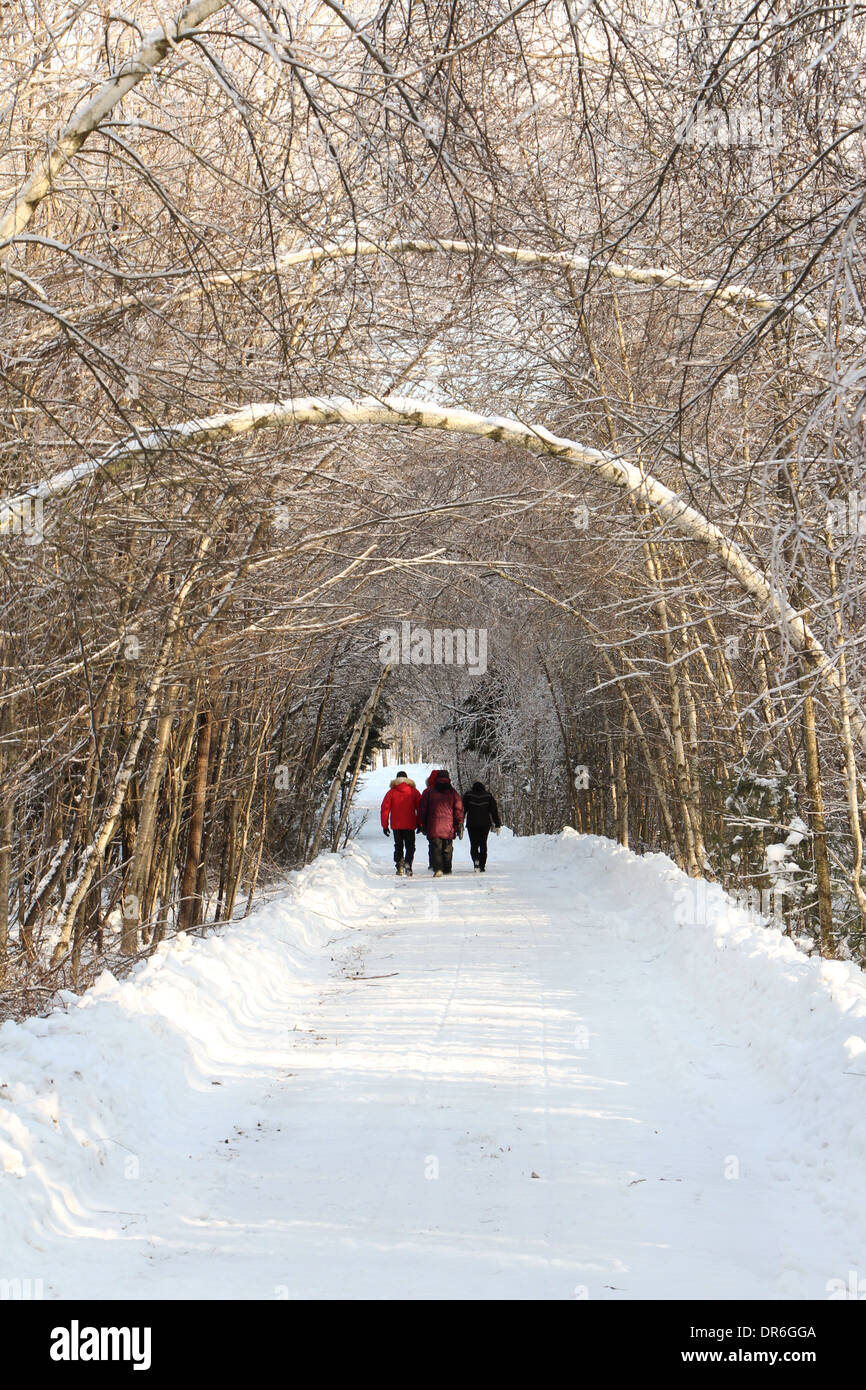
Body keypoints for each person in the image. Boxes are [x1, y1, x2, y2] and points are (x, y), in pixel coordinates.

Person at [418, 770, 464, 877]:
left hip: (433, 824)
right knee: (447, 847)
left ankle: (438, 868)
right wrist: (459, 822)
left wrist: (423, 823)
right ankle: (447, 869)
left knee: (436, 847)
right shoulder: (453, 792)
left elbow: (423, 809)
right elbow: (459, 808)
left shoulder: (429, 792)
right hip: (448, 826)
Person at [380, 771, 421, 877]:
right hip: (410, 824)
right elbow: (420, 808)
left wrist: (385, 825)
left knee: (398, 845)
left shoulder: (391, 792)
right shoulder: (414, 792)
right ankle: (408, 863)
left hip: (396, 825)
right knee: (410, 846)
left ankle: (399, 865)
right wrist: (420, 823)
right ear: (407, 779)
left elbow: (385, 809)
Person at [462, 780, 501, 873]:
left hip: (472, 824)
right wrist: (498, 824)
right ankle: (482, 865)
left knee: (474, 843)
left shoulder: (468, 795)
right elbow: (494, 811)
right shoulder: (488, 796)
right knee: (483, 843)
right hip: (485, 824)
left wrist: (460, 822)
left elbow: (462, 810)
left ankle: (476, 860)